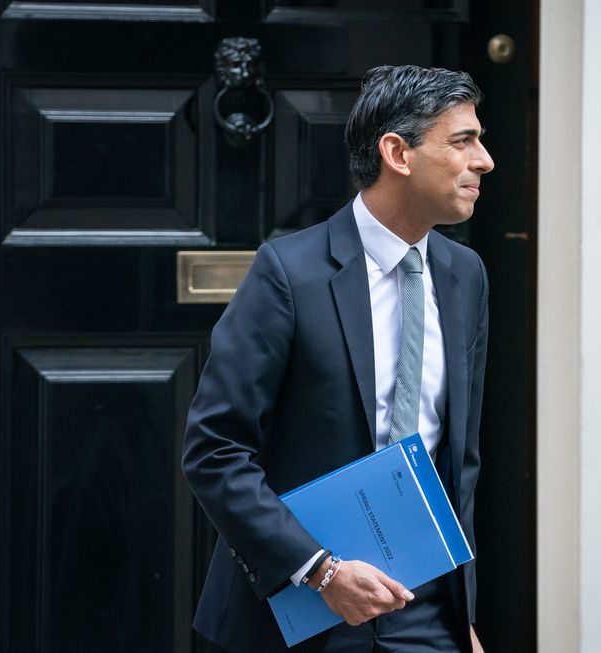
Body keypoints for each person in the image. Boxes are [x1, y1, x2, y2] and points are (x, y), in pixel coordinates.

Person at [181, 65, 494, 653]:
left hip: (426, 614)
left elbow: (460, 461)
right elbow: (214, 449)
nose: (484, 161)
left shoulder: (465, 276)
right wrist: (320, 570)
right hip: (298, 609)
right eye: (462, 142)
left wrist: (463, 615)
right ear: (397, 153)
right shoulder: (289, 273)